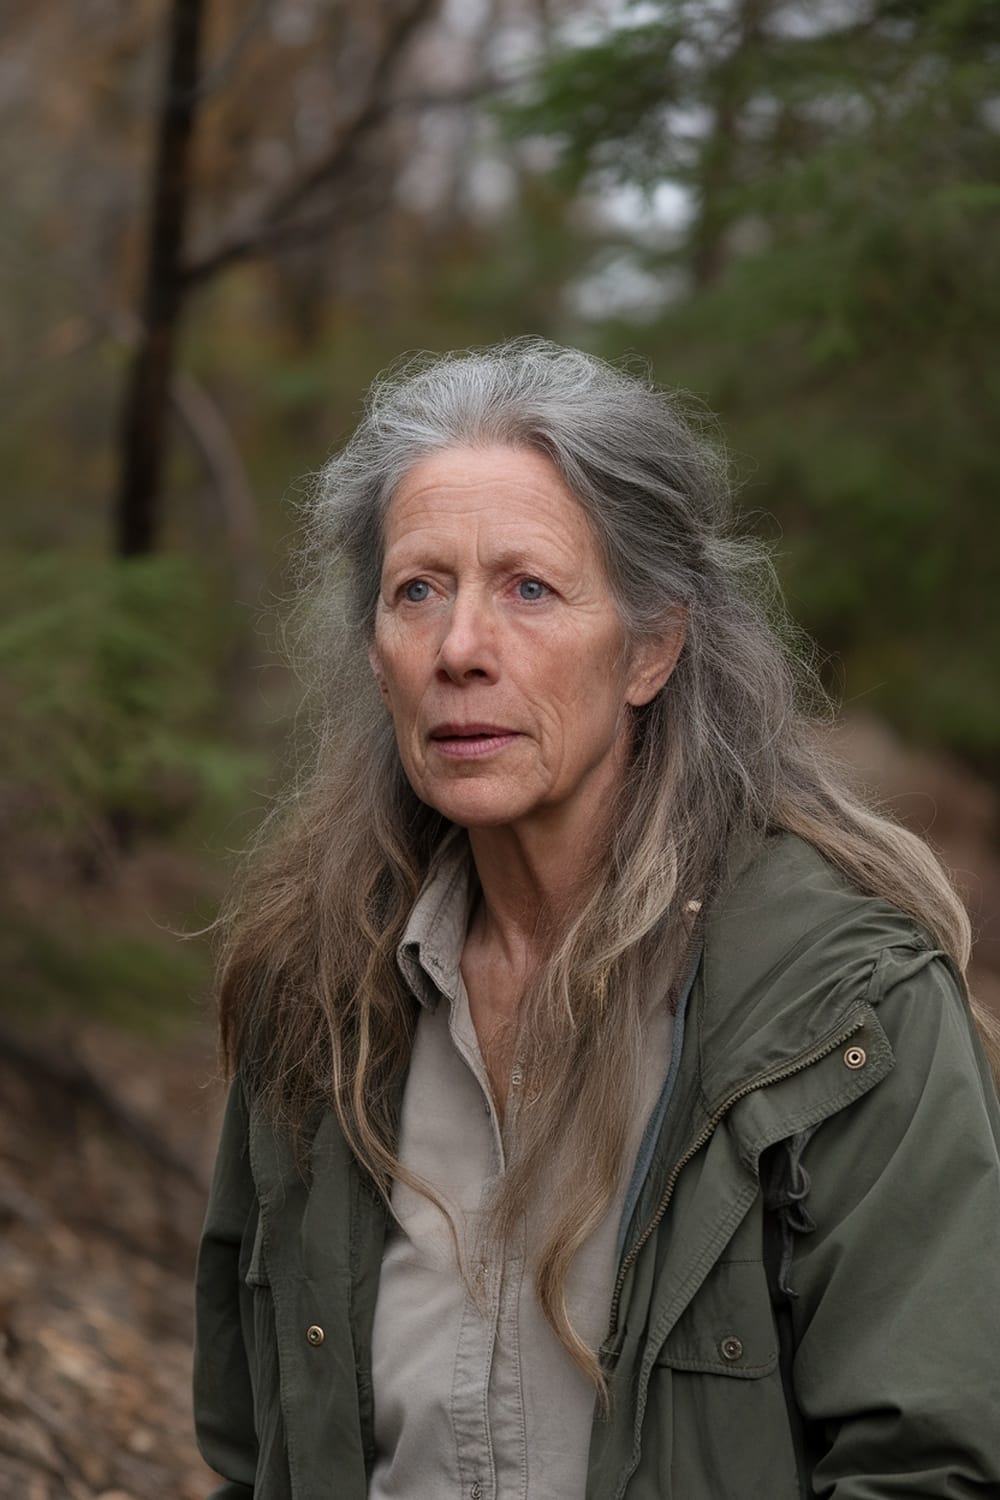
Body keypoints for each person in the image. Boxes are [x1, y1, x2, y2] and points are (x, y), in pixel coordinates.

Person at [193, 340, 1000, 1499]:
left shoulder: (840, 1009)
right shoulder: (315, 996)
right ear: (376, 656)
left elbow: (935, 1468)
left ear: (651, 646)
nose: (461, 650)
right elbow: (248, 1448)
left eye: (528, 588)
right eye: (417, 590)